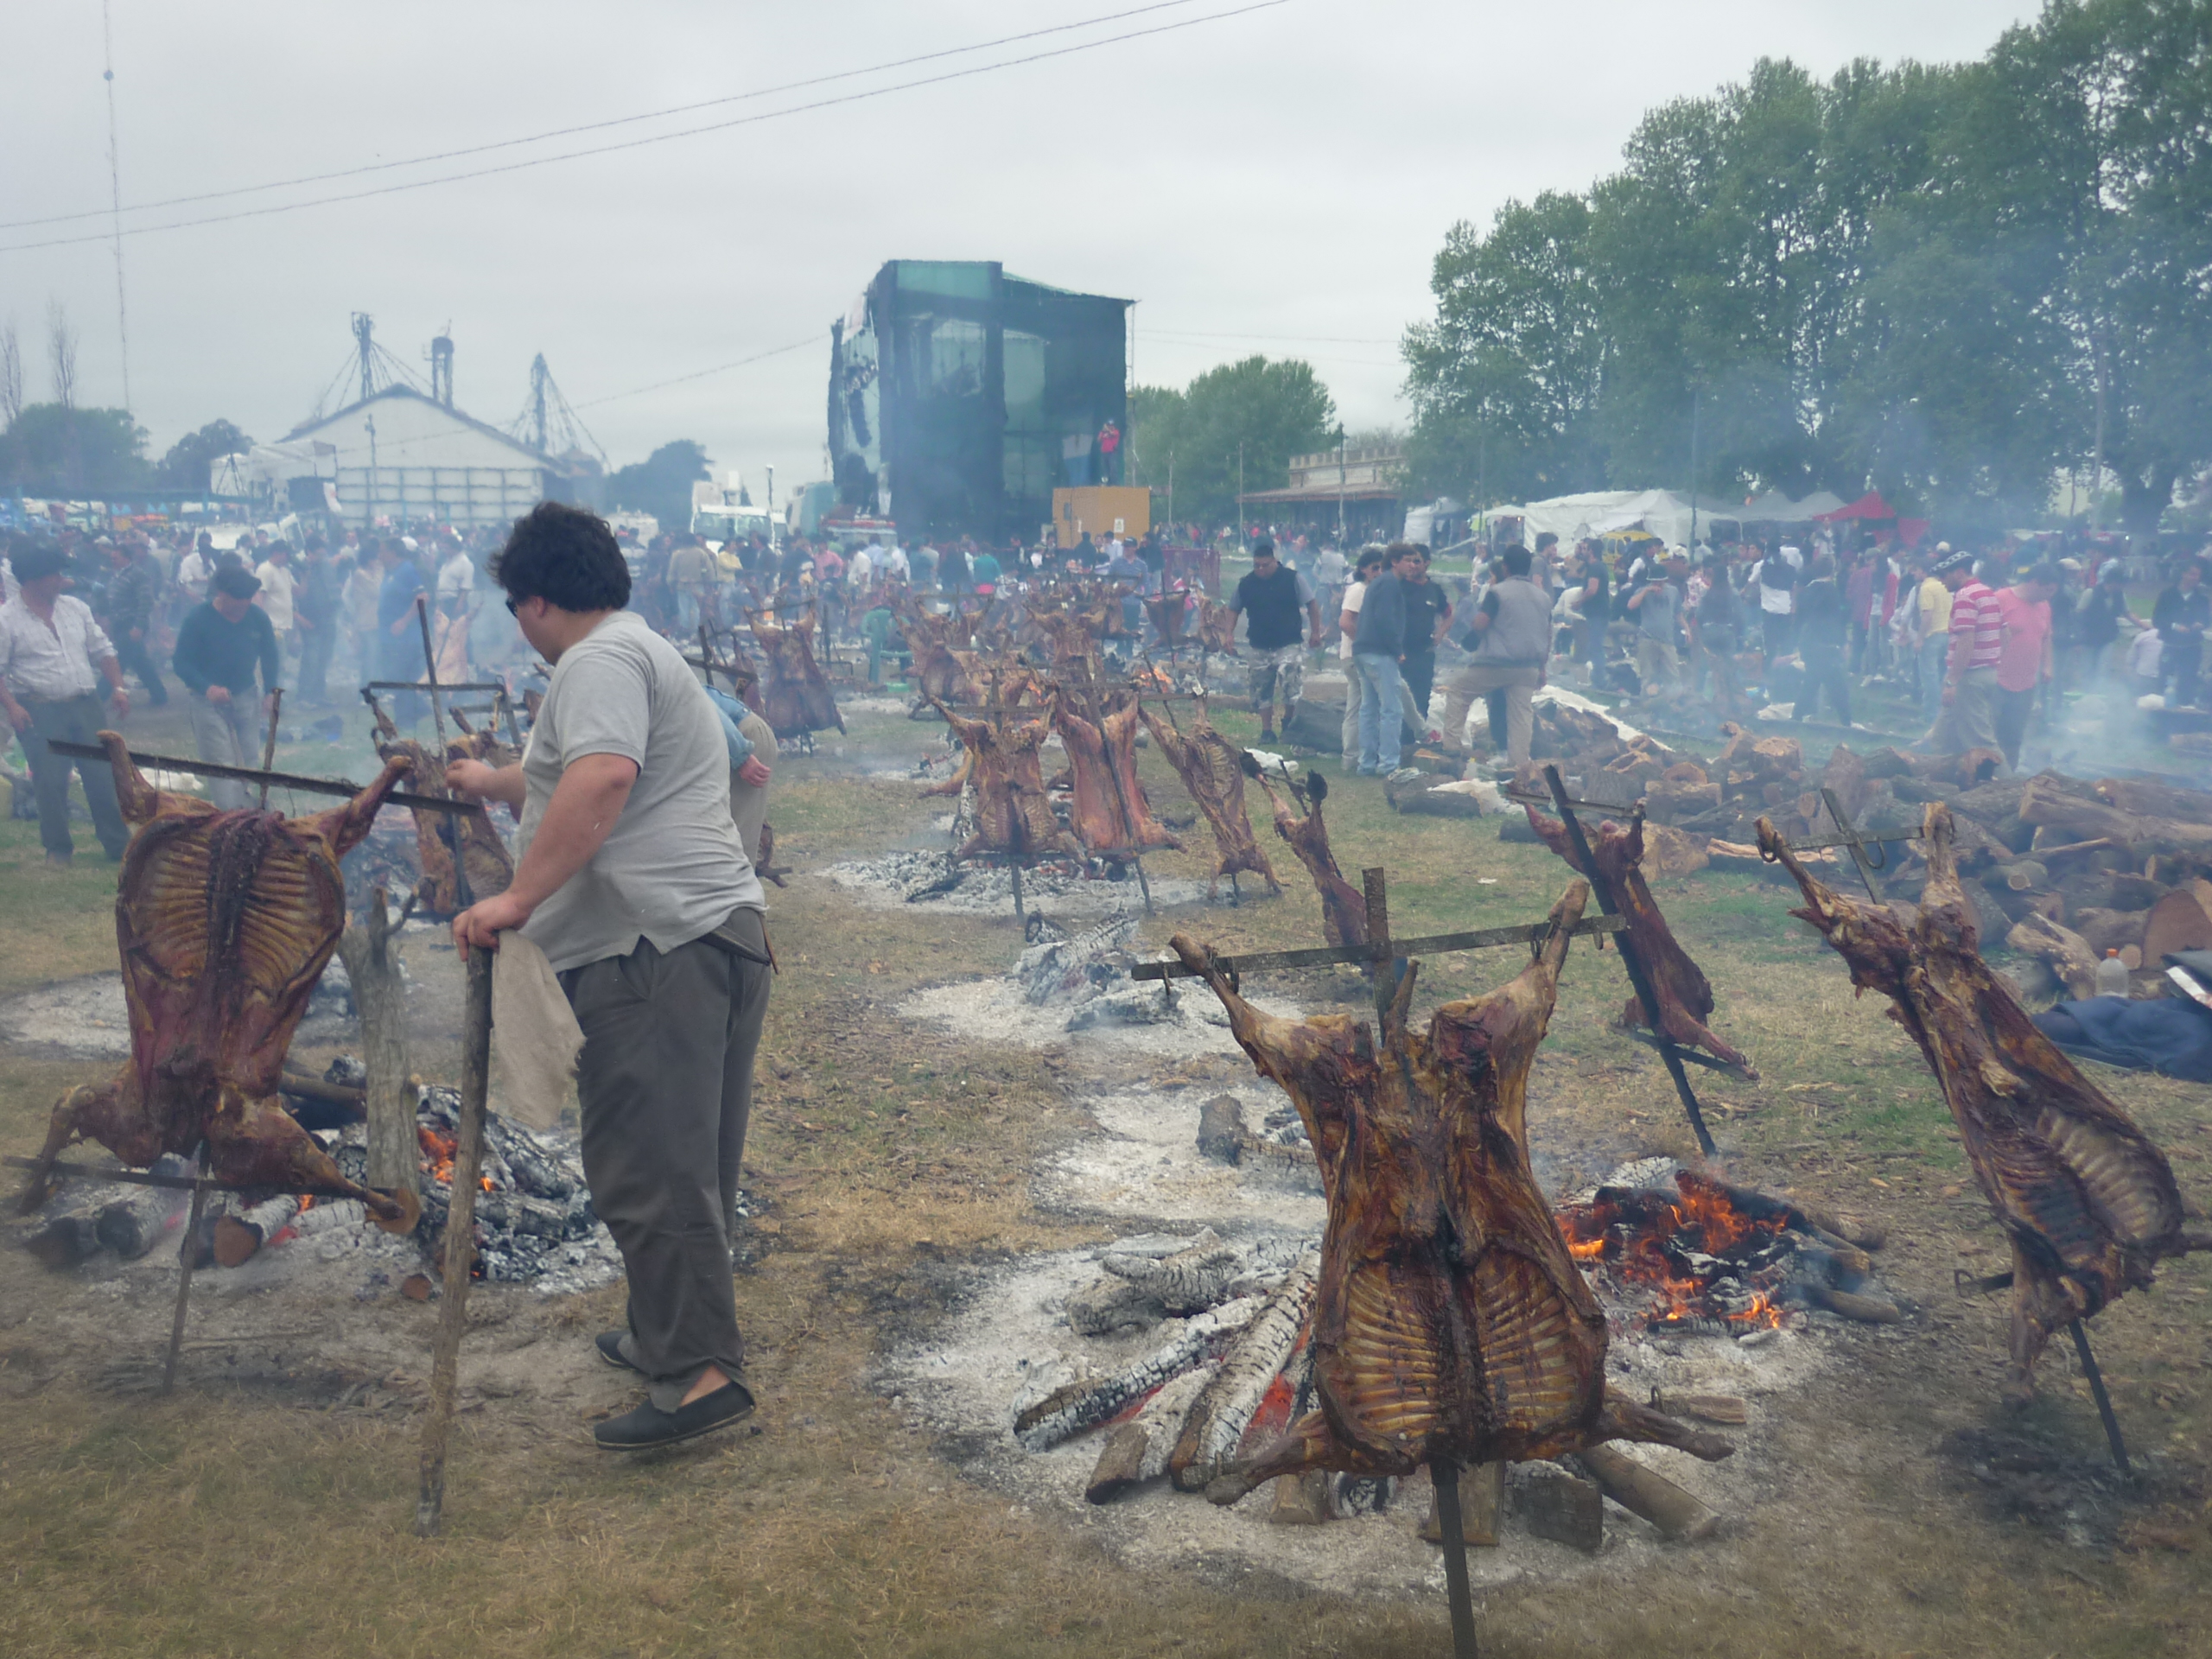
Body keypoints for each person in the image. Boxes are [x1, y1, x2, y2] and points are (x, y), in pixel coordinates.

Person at [447, 501, 766, 1452]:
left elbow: (601, 781)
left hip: (650, 951)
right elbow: (561, 773)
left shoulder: (592, 663)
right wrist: (485, 780)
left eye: (516, 609)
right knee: (688, 1163)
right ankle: (664, 1333)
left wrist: (516, 898)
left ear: (535, 602)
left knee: (649, 1169)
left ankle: (701, 1378)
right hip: (713, 937)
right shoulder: (639, 649)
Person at [0, 541, 132, 862]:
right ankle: (58, 848)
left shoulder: (75, 608)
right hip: (39, 706)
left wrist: (118, 687)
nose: (61, 580)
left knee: (102, 774)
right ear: (33, 580)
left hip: (84, 702)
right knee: (50, 779)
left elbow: (103, 649)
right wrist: (13, 707)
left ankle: (119, 845)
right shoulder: (6, 619)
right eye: (55, 575)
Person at [172, 564, 282, 811]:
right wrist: (206, 687)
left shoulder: (258, 617)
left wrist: (270, 691)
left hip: (246, 695)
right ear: (221, 593)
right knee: (222, 763)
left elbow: (270, 656)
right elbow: (180, 662)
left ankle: (249, 810)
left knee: (250, 756)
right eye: (238, 598)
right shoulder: (197, 619)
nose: (244, 603)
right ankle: (231, 817)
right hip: (207, 702)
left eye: (247, 598)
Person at [1440, 543, 1550, 773]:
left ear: (1506, 567)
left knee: (1458, 692)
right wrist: (1542, 668)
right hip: (1528, 666)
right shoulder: (1543, 597)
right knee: (1521, 715)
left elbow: (1481, 622)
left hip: (1496, 663)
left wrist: (1470, 640)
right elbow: (1546, 635)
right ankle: (1519, 765)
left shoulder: (1498, 592)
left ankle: (1451, 747)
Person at [1227, 538, 1321, 742]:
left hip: (1289, 641)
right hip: (1259, 643)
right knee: (1261, 688)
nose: (1260, 569)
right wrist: (1229, 634)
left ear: (1274, 561)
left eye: (1265, 565)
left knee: (1290, 682)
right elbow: (1233, 609)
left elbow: (1312, 604)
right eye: (1257, 565)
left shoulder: (1293, 579)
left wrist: (1316, 632)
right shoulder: (1246, 583)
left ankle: (1288, 721)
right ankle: (1266, 731)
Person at [1927, 550, 2003, 755]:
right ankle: (1940, 780)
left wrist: (1953, 681)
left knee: (1981, 743)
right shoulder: (1988, 592)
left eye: (1944, 575)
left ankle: (2009, 785)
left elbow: (1966, 641)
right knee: (1942, 738)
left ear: (1959, 573)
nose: (1941, 581)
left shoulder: (1965, 596)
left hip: (1968, 678)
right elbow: (2005, 631)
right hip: (1985, 673)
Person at [1349, 543, 1411, 775]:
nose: (1412, 566)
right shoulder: (1390, 583)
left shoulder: (1377, 583)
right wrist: (1397, 648)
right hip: (1380, 652)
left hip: (1362, 650)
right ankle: (1388, 765)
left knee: (1369, 709)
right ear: (1394, 561)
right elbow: (1385, 619)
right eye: (1408, 560)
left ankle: (1365, 764)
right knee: (1391, 710)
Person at [1993, 564, 2058, 770]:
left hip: (2026, 683)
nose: (2048, 596)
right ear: (2034, 583)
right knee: (1990, 733)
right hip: (1997, 679)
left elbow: (2046, 638)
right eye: (2047, 590)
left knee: (2014, 736)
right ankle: (1982, 772)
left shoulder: (2044, 606)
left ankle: (2008, 776)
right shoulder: (2001, 599)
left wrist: (2048, 665)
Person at [103, 534, 170, 707]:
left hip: (131, 624)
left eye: (115, 558)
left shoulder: (138, 575)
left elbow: (146, 602)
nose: (112, 561)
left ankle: (98, 697)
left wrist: (138, 627)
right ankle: (160, 695)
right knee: (140, 662)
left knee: (116, 662)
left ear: (126, 558)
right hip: (119, 624)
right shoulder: (115, 575)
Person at [1336, 547, 1384, 771]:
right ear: (1364, 569)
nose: (1379, 571)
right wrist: (1364, 645)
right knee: (1369, 706)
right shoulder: (1359, 590)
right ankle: (1362, 757)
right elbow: (1345, 622)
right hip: (1357, 656)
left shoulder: (1374, 590)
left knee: (1357, 706)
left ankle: (1352, 758)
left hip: (1354, 655)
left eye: (1383, 567)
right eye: (1375, 567)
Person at [1793, 554, 1851, 725]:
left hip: (1808, 643)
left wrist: (1797, 641)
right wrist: (1843, 642)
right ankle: (1847, 721)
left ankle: (1796, 717)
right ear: (1832, 571)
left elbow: (1799, 619)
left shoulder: (1807, 591)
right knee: (1837, 685)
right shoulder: (1831, 591)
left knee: (1812, 681)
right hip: (1826, 644)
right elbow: (1837, 619)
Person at [375, 537, 428, 721]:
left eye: (382, 551)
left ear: (392, 552)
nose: (379, 555)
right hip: (390, 637)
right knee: (394, 675)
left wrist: (404, 621)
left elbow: (422, 596)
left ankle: (406, 719)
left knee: (403, 676)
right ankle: (420, 709)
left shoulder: (406, 570)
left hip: (406, 638)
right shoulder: (390, 572)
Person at [1397, 545, 1449, 724]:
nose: (1412, 566)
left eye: (1417, 561)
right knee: (1398, 697)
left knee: (1421, 698)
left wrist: (1440, 633)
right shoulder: (1399, 586)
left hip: (1423, 652)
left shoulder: (1434, 589)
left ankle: (1418, 739)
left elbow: (1449, 613)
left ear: (1427, 563)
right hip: (1400, 651)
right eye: (1409, 561)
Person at [2152, 559, 2208, 709]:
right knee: (2165, 678)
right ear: (2183, 574)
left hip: (2192, 646)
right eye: (2192, 574)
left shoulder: (2201, 599)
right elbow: (2157, 619)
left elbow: (2207, 619)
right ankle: (2161, 708)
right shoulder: (2167, 595)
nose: (2195, 578)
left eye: (2198, 575)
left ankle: (2186, 709)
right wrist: (2174, 626)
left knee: (2188, 680)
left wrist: (2201, 623)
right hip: (2171, 645)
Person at [1624, 551, 1683, 694]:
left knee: (1673, 674)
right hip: (1647, 638)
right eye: (1655, 581)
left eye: (1660, 581)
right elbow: (1631, 605)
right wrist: (1646, 591)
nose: (1658, 584)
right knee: (1647, 675)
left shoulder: (1673, 591)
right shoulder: (1642, 591)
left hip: (1667, 639)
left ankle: (1673, 702)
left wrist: (1686, 628)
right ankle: (1645, 702)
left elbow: (1678, 613)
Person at [294, 535, 340, 707]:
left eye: (323, 554)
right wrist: (299, 618)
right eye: (319, 554)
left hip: (328, 619)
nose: (322, 558)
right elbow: (295, 596)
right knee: (311, 659)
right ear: (309, 552)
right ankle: (303, 697)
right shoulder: (299, 568)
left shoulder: (327, 566)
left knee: (324, 658)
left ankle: (319, 695)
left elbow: (332, 589)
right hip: (310, 620)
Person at [1911, 550, 1954, 728]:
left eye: (1915, 570)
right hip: (1947, 634)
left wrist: (1919, 639)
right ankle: (1945, 715)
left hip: (1932, 636)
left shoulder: (1926, 588)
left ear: (1923, 571)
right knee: (1943, 677)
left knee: (1929, 678)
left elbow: (1927, 616)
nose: (1913, 573)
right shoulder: (1943, 586)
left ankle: (1931, 717)